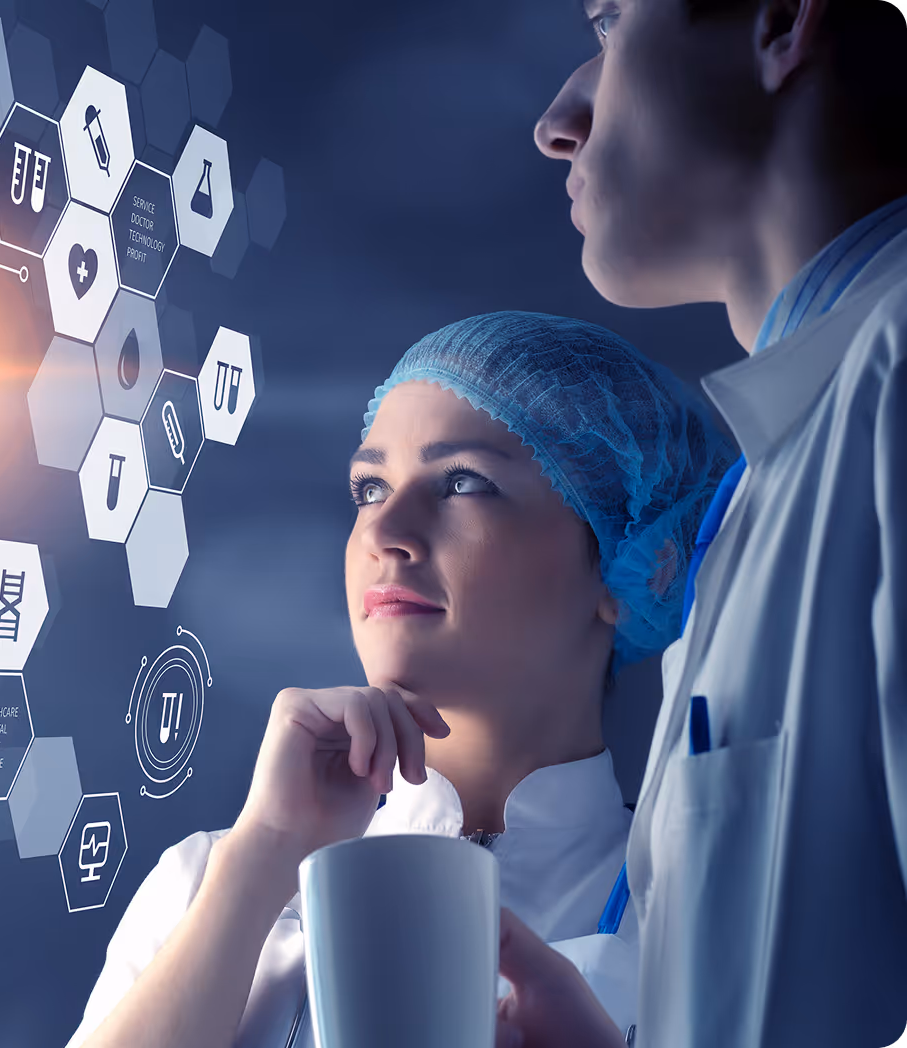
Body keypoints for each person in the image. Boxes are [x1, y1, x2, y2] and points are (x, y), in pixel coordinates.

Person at [64, 312, 734, 1048]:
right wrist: (260, 863)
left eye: (462, 482)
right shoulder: (205, 883)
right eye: (369, 488)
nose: (386, 534)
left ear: (641, 559)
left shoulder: (717, 912)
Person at [503, 1, 907, 1046]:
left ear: (779, 22)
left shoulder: (893, 384)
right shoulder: (774, 482)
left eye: (608, 24)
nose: (559, 117)